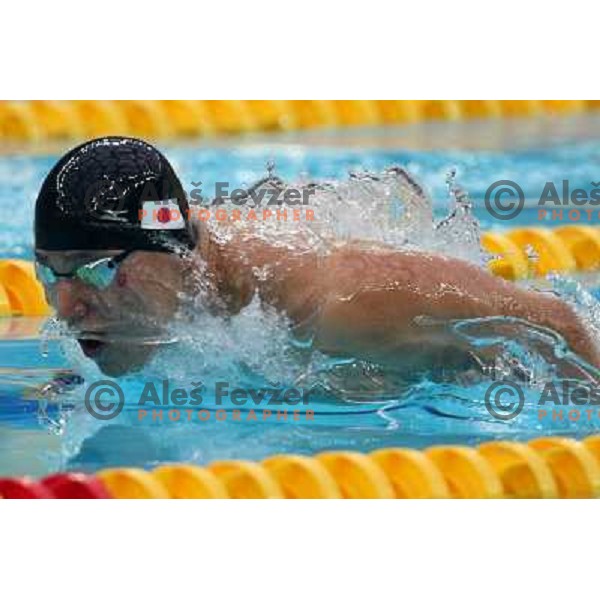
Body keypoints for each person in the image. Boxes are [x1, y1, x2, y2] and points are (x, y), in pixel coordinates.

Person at [33, 136, 600, 377]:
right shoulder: (169, 297)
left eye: (93, 270)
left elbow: (555, 319)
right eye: (48, 273)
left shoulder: (341, 303)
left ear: (172, 253)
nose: (66, 306)